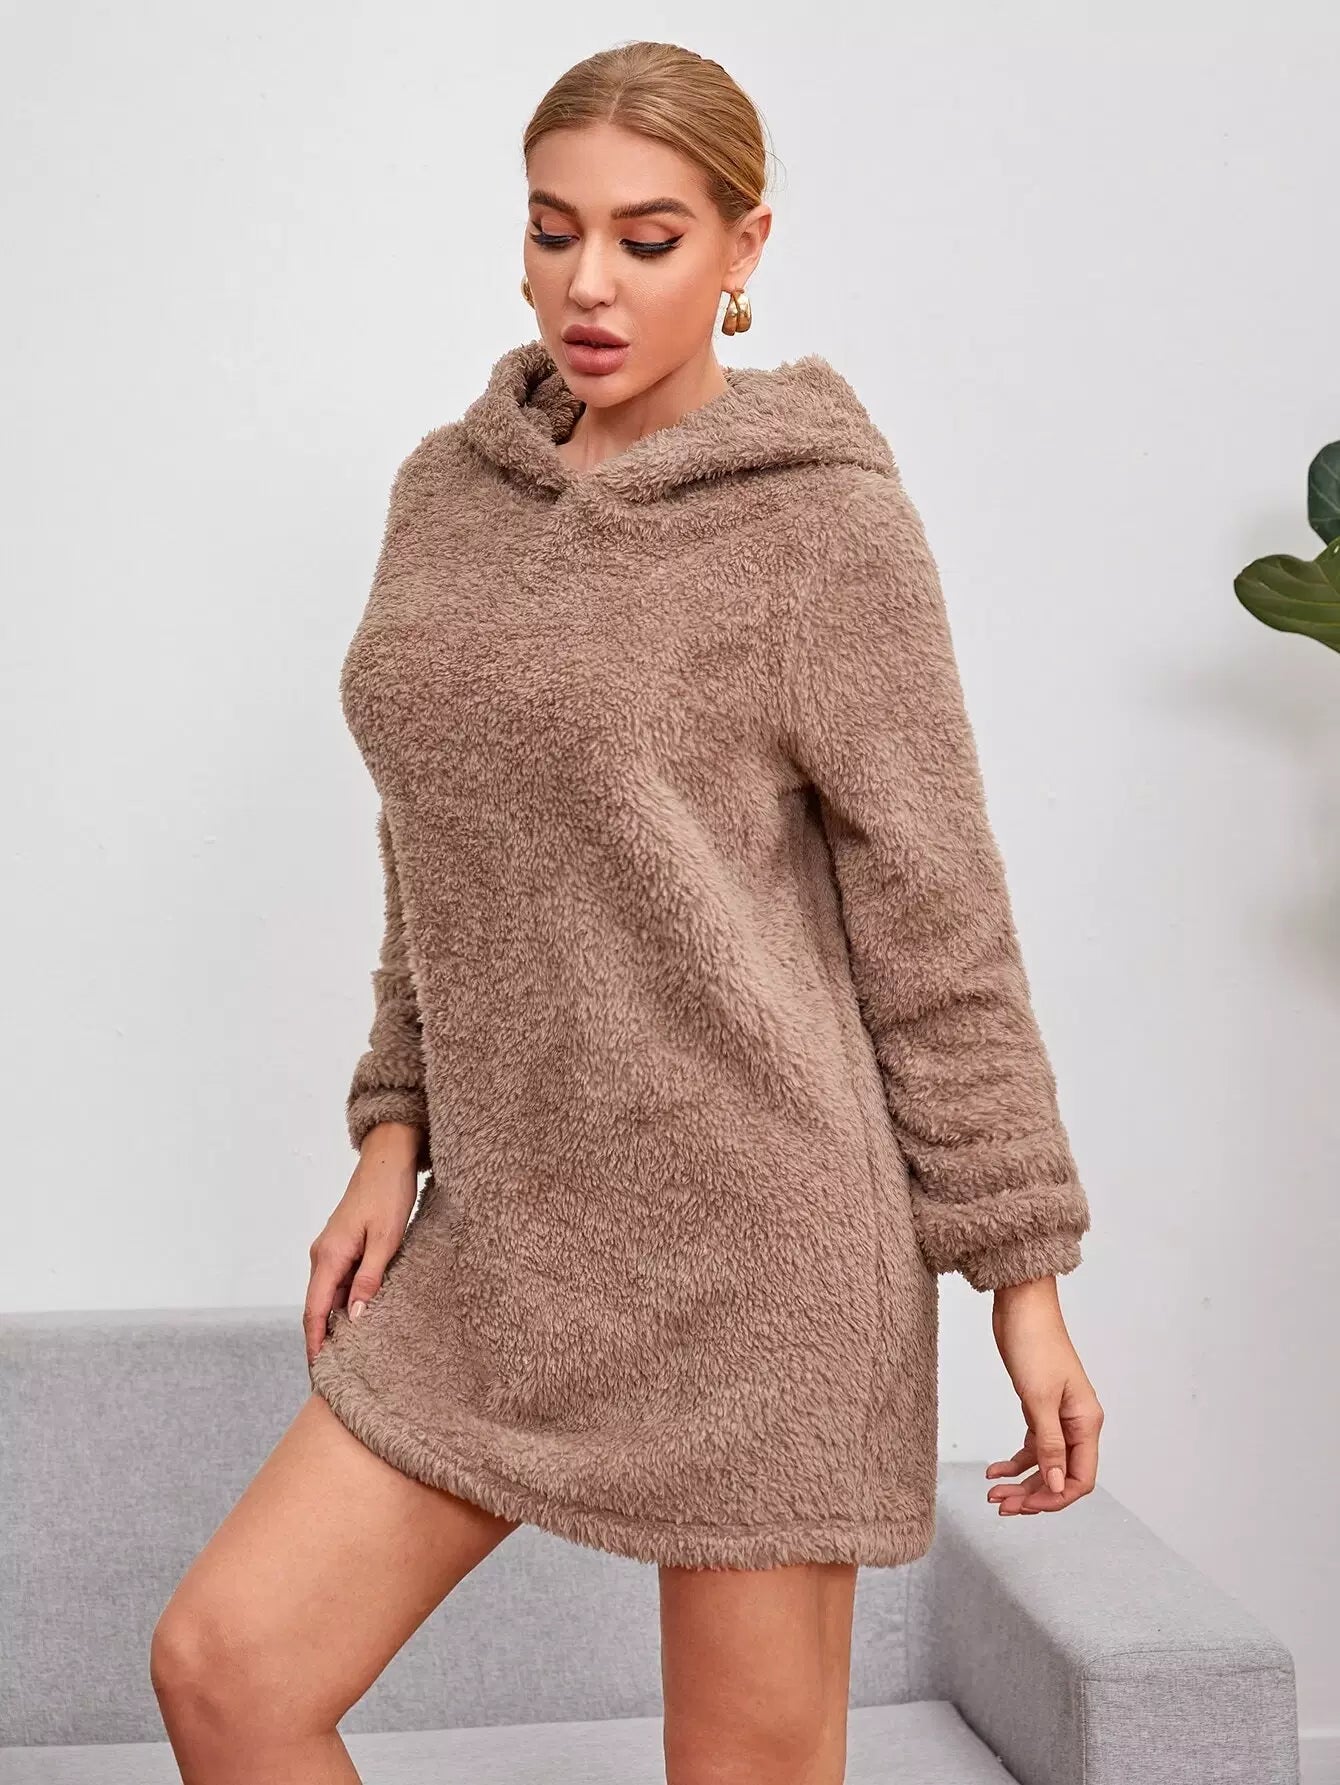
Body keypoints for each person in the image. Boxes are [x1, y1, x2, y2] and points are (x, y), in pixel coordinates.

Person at [150, 39, 1103, 1785]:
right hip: (507, 1233)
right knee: (225, 1668)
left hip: (763, 1252)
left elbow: (941, 922)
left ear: (744, 249)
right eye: (553, 229)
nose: (590, 282)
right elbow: (438, 838)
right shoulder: (450, 495)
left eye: (648, 239)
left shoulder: (821, 530)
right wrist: (392, 1126)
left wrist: (1021, 1278)